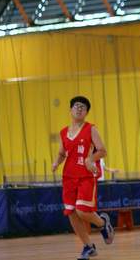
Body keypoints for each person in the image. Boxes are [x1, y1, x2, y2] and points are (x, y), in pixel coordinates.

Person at [52, 96, 115, 260]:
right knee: (71, 212)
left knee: (82, 211)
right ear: (71, 110)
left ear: (86, 112)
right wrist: (56, 162)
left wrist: (90, 160)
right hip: (68, 177)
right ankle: (88, 247)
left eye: (83, 107)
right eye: (76, 106)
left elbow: (102, 150)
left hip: (85, 176)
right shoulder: (64, 132)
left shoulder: (91, 129)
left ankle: (102, 223)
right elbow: (61, 153)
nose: (79, 109)